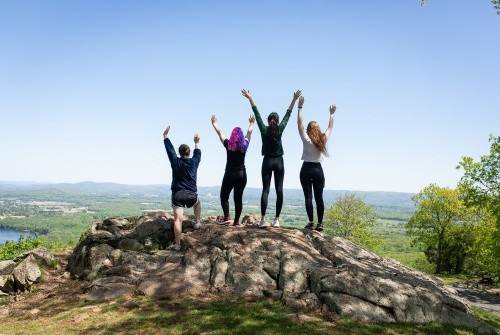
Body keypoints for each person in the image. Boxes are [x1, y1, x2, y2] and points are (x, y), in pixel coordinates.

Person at [241, 89, 301, 228]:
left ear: (269, 121)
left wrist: (250, 98)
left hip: (267, 161)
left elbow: (256, 113)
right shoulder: (280, 129)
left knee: (266, 190)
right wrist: (294, 100)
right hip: (279, 161)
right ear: (277, 121)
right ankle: (277, 220)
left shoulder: (264, 129)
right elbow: (288, 114)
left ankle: (262, 220)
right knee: (279, 190)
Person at [297, 95, 336, 232]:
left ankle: (311, 222)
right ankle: (320, 224)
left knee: (308, 196)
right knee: (319, 198)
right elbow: (330, 127)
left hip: (306, 168)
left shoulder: (306, 138)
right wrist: (331, 114)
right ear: (318, 130)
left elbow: (299, 124)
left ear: (308, 129)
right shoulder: (322, 139)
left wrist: (300, 107)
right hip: (318, 170)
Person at [211, 114, 256, 226]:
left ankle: (227, 217)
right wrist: (251, 123)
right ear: (241, 137)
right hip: (241, 174)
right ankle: (236, 222)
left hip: (230, 174)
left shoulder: (228, 145)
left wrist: (214, 123)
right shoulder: (244, 145)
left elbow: (220, 133)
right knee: (238, 199)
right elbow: (249, 133)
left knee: (224, 196)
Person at [163, 125, 202, 252]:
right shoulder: (193, 162)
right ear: (188, 153)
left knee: (178, 220)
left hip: (178, 194)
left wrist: (166, 137)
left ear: (180, 153)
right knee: (197, 203)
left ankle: (177, 244)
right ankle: (197, 222)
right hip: (191, 195)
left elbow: (170, 151)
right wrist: (197, 143)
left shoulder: (176, 161)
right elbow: (198, 153)